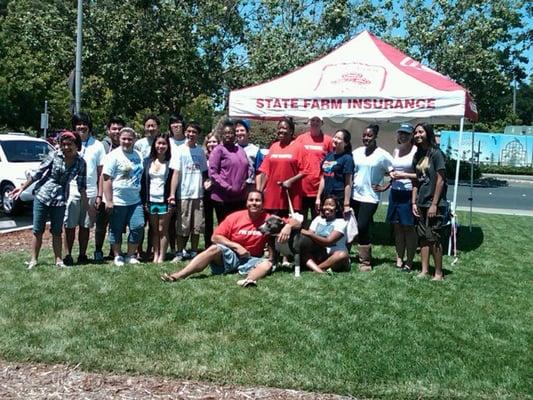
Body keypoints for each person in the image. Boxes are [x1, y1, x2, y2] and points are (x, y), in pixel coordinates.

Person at [160, 190, 294, 287]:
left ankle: (249, 280)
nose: (254, 203)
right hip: (231, 256)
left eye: (258, 200)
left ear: (263, 204)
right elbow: (215, 237)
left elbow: (298, 221)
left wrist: (288, 226)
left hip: (253, 260)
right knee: (213, 248)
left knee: (267, 264)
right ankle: (179, 275)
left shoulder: (269, 219)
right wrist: (236, 246)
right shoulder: (235, 217)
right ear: (246, 203)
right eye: (251, 200)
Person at [10, 131, 87, 269]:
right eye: (64, 144)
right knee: (38, 230)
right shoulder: (54, 155)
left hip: (61, 198)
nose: (66, 147)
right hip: (43, 195)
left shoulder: (81, 162)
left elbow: (82, 185)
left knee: (57, 231)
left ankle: (58, 260)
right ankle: (34, 260)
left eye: (70, 144)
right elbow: (37, 173)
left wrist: (86, 204)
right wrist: (22, 188)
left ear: (77, 145)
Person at [63, 112, 105, 266]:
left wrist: (100, 196)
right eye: (78, 124)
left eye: (84, 124)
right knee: (69, 225)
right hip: (72, 191)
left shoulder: (98, 145)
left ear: (89, 126)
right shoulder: (67, 143)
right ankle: (67, 255)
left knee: (86, 226)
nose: (81, 127)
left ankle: (82, 254)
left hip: (91, 192)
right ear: (74, 126)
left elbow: (101, 173)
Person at [351, 124, 393, 271]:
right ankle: (348, 254)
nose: (366, 138)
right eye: (364, 135)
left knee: (362, 225)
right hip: (354, 195)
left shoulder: (382, 155)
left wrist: (385, 186)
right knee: (354, 225)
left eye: (369, 135)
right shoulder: (357, 152)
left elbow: (395, 172)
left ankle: (366, 261)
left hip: (370, 197)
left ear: (375, 137)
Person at [102, 127, 145, 266]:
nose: (127, 141)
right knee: (116, 228)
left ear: (134, 140)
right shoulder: (113, 156)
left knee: (138, 226)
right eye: (124, 139)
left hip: (135, 200)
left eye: (130, 139)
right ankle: (117, 255)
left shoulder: (139, 155)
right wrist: (109, 200)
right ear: (119, 139)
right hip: (118, 200)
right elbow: (106, 178)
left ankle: (130, 255)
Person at [412, 123, 448, 281]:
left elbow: (440, 180)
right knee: (423, 237)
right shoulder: (417, 154)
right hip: (420, 202)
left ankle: (439, 273)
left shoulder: (436, 153)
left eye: (421, 132)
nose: (417, 135)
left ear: (428, 133)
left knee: (434, 237)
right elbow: (417, 180)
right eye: (416, 132)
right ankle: (424, 270)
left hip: (434, 203)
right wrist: (413, 202)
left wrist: (434, 203)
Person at [169, 121, 208, 262]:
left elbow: (204, 172)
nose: (191, 134)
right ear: (185, 133)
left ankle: (193, 251)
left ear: (198, 135)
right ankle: (179, 252)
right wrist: (172, 194)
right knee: (182, 225)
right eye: (189, 131)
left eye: (194, 132)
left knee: (197, 226)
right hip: (184, 194)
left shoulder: (200, 152)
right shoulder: (179, 151)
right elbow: (175, 173)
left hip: (198, 194)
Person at [257, 117, 305, 216]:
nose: (281, 131)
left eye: (284, 128)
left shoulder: (298, 147)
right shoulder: (274, 146)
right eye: (279, 128)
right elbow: (265, 171)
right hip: (272, 197)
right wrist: (260, 191)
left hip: (290, 196)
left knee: (289, 227)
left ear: (291, 131)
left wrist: (290, 181)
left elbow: (305, 171)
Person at [386, 123, 418, 271]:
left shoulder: (417, 152)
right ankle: (399, 259)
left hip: (409, 193)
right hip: (395, 192)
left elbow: (422, 175)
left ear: (412, 136)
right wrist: (391, 174)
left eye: (406, 133)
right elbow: (393, 169)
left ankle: (410, 261)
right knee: (397, 228)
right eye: (401, 133)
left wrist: (404, 175)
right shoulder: (396, 150)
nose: (403, 136)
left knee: (408, 228)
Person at [140, 133, 175, 263]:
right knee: (154, 230)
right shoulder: (147, 162)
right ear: (154, 145)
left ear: (168, 146)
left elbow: (173, 182)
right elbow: (144, 182)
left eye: (164, 144)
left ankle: (162, 256)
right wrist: (144, 200)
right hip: (151, 200)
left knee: (163, 229)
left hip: (164, 201)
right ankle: (155, 255)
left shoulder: (171, 163)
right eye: (158, 143)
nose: (161, 146)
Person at [94, 116, 125, 262]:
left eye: (119, 129)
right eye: (114, 129)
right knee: (101, 225)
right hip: (104, 191)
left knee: (117, 225)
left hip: (120, 193)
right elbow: (101, 173)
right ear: (108, 130)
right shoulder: (103, 146)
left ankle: (114, 252)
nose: (117, 132)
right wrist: (100, 196)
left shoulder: (127, 146)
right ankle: (98, 250)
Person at [209, 120, 249, 221]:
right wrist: (227, 187)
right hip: (223, 197)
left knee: (238, 227)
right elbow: (213, 173)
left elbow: (247, 168)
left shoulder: (240, 149)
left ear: (235, 134)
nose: (228, 135)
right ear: (222, 135)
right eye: (226, 133)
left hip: (240, 197)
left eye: (231, 133)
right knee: (225, 228)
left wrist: (244, 182)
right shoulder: (218, 150)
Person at [294, 115, 332, 222]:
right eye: (312, 120)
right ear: (308, 122)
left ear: (322, 123)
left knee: (318, 221)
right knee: (300, 221)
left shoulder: (328, 140)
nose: (315, 123)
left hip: (319, 188)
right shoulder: (300, 139)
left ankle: (316, 239)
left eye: (318, 121)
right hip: (302, 188)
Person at [300, 195, 350, 273]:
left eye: (331, 205)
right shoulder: (317, 219)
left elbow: (328, 241)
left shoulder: (342, 222)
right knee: (303, 252)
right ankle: (321, 269)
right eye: (325, 204)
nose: (327, 207)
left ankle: (316, 268)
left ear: (336, 208)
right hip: (319, 254)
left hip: (334, 256)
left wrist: (309, 234)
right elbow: (308, 238)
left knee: (342, 255)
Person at [316, 129, 354, 217]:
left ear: (346, 143)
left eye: (339, 138)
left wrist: (346, 204)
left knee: (337, 223)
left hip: (338, 196)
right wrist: (318, 197)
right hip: (326, 196)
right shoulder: (329, 155)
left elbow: (348, 183)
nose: (335, 140)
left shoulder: (347, 158)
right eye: (335, 137)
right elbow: (323, 178)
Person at [167, 113, 185, 254]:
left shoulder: (188, 141)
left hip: (185, 183)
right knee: (170, 219)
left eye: (178, 122)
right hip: (168, 182)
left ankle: (183, 247)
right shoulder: (168, 141)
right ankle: (172, 248)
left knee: (183, 218)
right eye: (173, 123)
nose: (176, 125)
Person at [203, 131, 221, 248]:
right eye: (209, 142)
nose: (211, 144)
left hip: (219, 192)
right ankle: (208, 245)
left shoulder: (222, 156)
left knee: (221, 220)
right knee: (208, 221)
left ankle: (221, 244)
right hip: (206, 192)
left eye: (214, 141)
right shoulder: (203, 157)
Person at [235, 119, 260, 190]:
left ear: (248, 132)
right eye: (237, 131)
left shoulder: (255, 150)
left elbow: (259, 172)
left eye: (242, 130)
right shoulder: (231, 149)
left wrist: (258, 190)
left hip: (249, 186)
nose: (239, 133)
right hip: (234, 186)